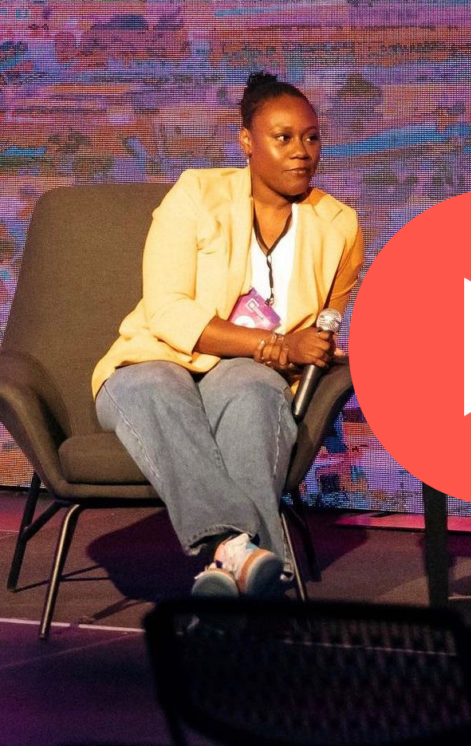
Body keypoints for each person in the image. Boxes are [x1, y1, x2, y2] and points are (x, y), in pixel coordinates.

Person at [92, 71, 364, 597]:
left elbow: (326, 322)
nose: (301, 151)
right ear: (247, 142)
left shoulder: (339, 225)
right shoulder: (197, 193)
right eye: (282, 138)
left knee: (253, 394)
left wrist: (311, 349)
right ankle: (244, 550)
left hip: (250, 374)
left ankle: (227, 573)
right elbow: (168, 310)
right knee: (156, 388)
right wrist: (276, 345)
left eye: (311, 137)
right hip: (156, 360)